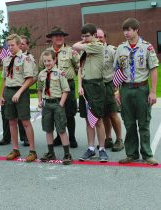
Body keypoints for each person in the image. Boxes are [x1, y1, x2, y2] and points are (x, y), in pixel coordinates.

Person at [114, 18, 159, 165]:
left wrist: (152, 92)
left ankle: (147, 154)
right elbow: (117, 70)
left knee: (144, 123)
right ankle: (131, 154)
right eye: (124, 30)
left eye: (129, 30)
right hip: (126, 89)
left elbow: (153, 70)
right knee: (129, 123)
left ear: (136, 30)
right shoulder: (120, 48)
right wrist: (117, 91)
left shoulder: (147, 47)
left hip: (142, 89)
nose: (126, 33)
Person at [73, 23, 108, 162]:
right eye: (83, 36)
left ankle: (102, 149)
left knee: (98, 120)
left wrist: (83, 41)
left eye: (87, 36)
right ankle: (91, 148)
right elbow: (80, 69)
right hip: (85, 86)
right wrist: (79, 86)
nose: (85, 38)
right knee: (88, 121)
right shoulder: (85, 50)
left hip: (96, 86)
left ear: (95, 35)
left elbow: (75, 45)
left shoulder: (97, 46)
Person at [39, 27, 80, 148]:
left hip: (68, 85)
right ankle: (58, 137)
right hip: (52, 86)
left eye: (61, 36)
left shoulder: (70, 51)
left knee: (69, 113)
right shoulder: (45, 53)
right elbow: (41, 69)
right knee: (55, 113)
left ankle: (71, 137)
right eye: (56, 36)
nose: (59, 38)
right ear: (51, 38)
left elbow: (79, 67)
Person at [0, 33, 38, 162]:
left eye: (12, 45)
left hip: (20, 92)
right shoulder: (6, 60)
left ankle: (32, 150)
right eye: (8, 45)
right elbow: (4, 79)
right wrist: (1, 95)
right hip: (9, 92)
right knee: (11, 121)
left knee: (25, 122)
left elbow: (30, 78)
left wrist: (19, 92)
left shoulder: (25, 59)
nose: (10, 47)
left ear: (18, 45)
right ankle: (15, 149)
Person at [37, 50, 73, 165]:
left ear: (54, 60)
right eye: (45, 61)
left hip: (57, 103)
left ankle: (67, 153)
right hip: (46, 104)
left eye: (49, 61)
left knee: (61, 129)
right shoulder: (42, 74)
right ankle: (50, 152)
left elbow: (66, 90)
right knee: (48, 129)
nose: (47, 63)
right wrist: (40, 101)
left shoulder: (60, 73)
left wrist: (61, 104)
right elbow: (39, 88)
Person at [96, 28, 124, 152]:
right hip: (97, 87)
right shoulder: (91, 51)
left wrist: (117, 90)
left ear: (105, 38)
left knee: (113, 114)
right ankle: (108, 139)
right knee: (104, 115)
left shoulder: (112, 50)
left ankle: (119, 139)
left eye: (100, 37)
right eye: (96, 37)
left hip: (110, 85)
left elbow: (120, 69)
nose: (98, 39)